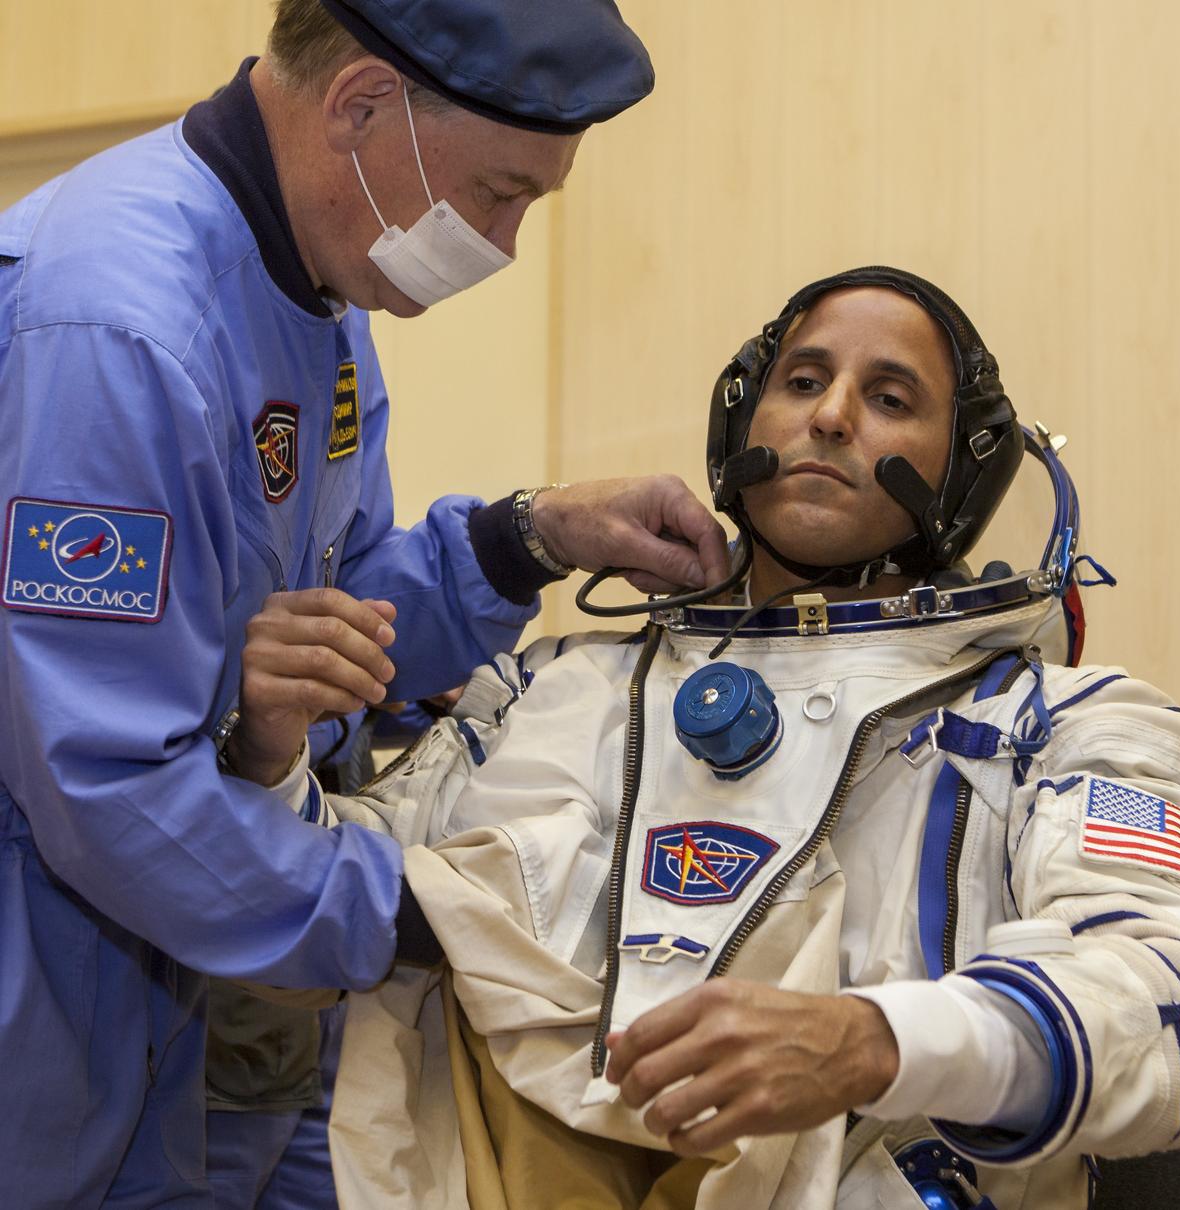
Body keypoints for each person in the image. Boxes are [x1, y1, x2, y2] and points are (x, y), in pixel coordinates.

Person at [234, 267, 1180, 1208]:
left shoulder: (1061, 724)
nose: (830, 415)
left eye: (890, 398)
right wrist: (269, 754)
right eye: (802, 379)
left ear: (961, 473)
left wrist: (876, 1041)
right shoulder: (553, 688)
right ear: (740, 422)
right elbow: (307, 917)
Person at [0, 1, 734, 1206]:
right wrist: (419, 918)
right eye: (498, 194)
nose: (499, 244)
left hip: (204, 1013)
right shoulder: (117, 327)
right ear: (359, 107)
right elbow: (105, 788)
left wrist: (521, 540)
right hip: (55, 1003)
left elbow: (333, 619)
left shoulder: (315, 301)